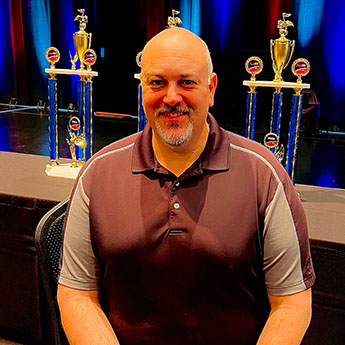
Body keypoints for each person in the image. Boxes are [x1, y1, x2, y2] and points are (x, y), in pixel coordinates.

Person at [57, 27, 315, 345]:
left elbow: (292, 303)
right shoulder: (97, 173)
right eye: (157, 83)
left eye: (186, 82)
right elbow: (77, 295)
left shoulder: (264, 175)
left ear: (212, 88)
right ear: (142, 89)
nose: (171, 97)